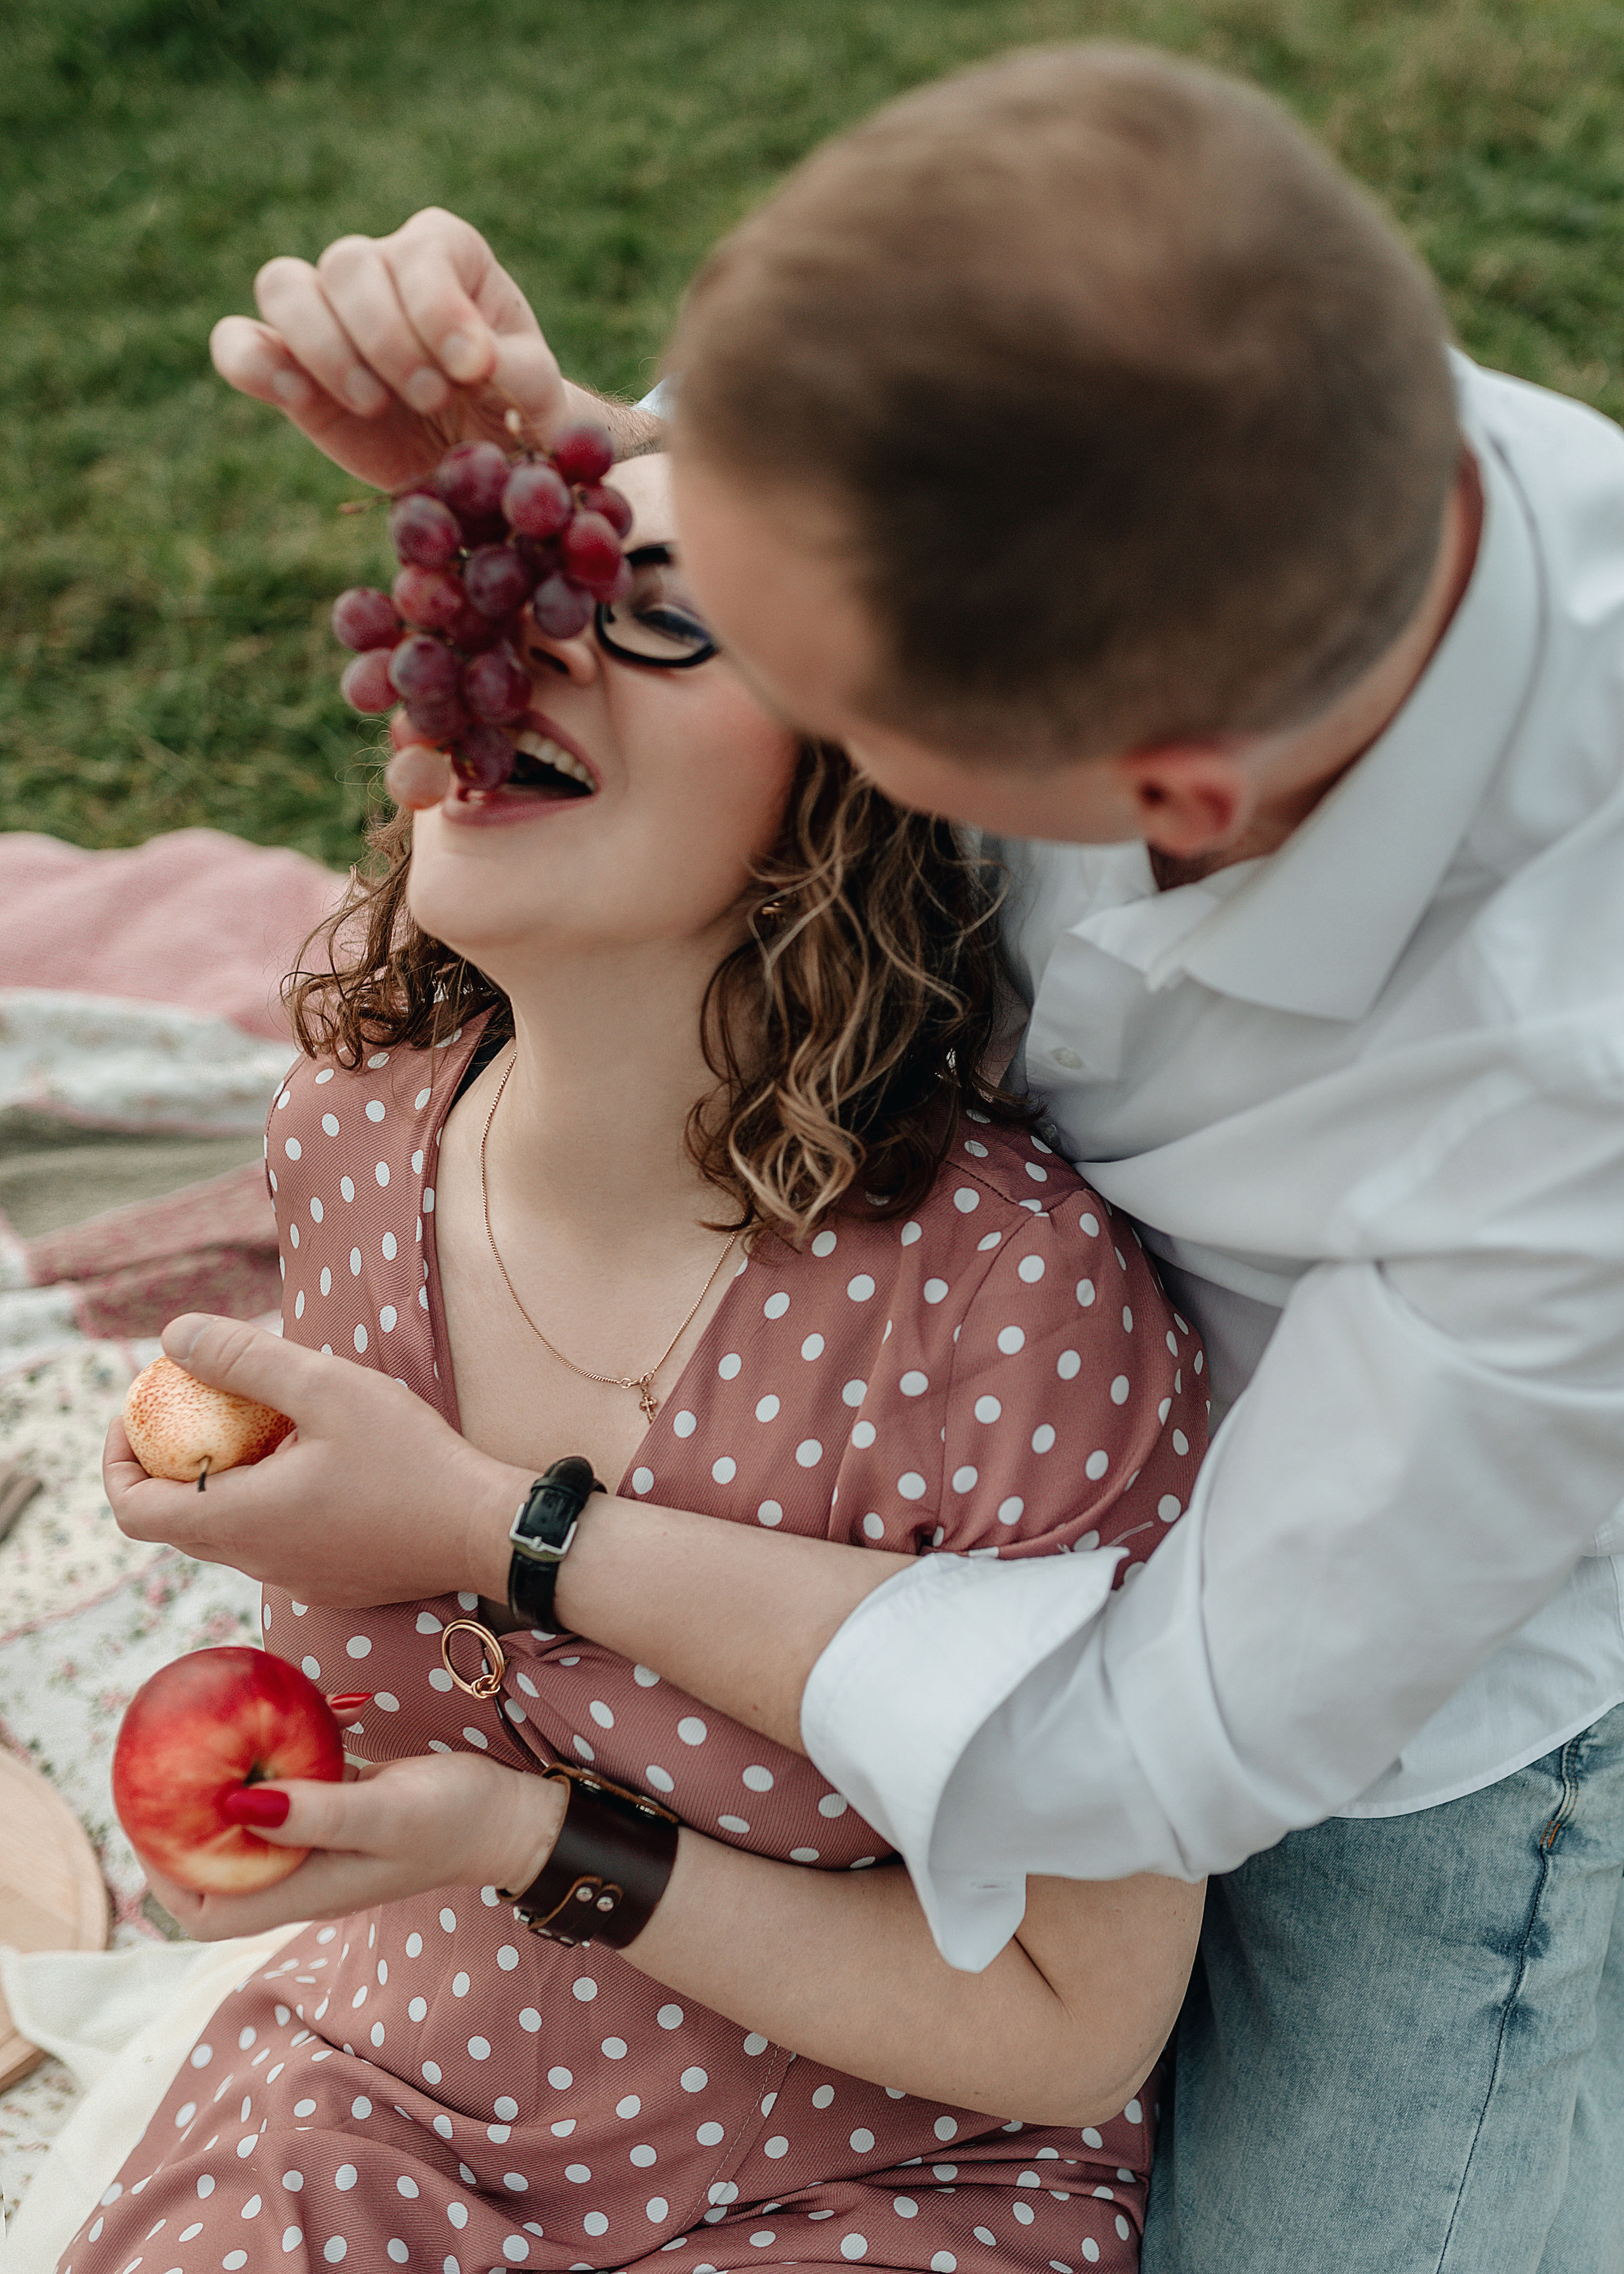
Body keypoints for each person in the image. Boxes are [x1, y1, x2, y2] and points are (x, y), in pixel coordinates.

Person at [195, 39, 1624, 2274]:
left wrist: (510, 1533)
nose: (573, 647)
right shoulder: (1140, 402)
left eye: (786, 681)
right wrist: (563, 468)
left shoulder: (1572, 1080)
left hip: (1407, 1698)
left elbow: (1157, 1755)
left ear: (1171, 802)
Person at [77, 447, 1207, 2274]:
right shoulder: (347, 1144)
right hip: (378, 2102)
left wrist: (527, 1829)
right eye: (495, 612)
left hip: (859, 2197)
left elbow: (1080, 2015)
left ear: (860, 778)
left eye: (660, 619)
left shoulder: (1008, 1304)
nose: (519, 663)